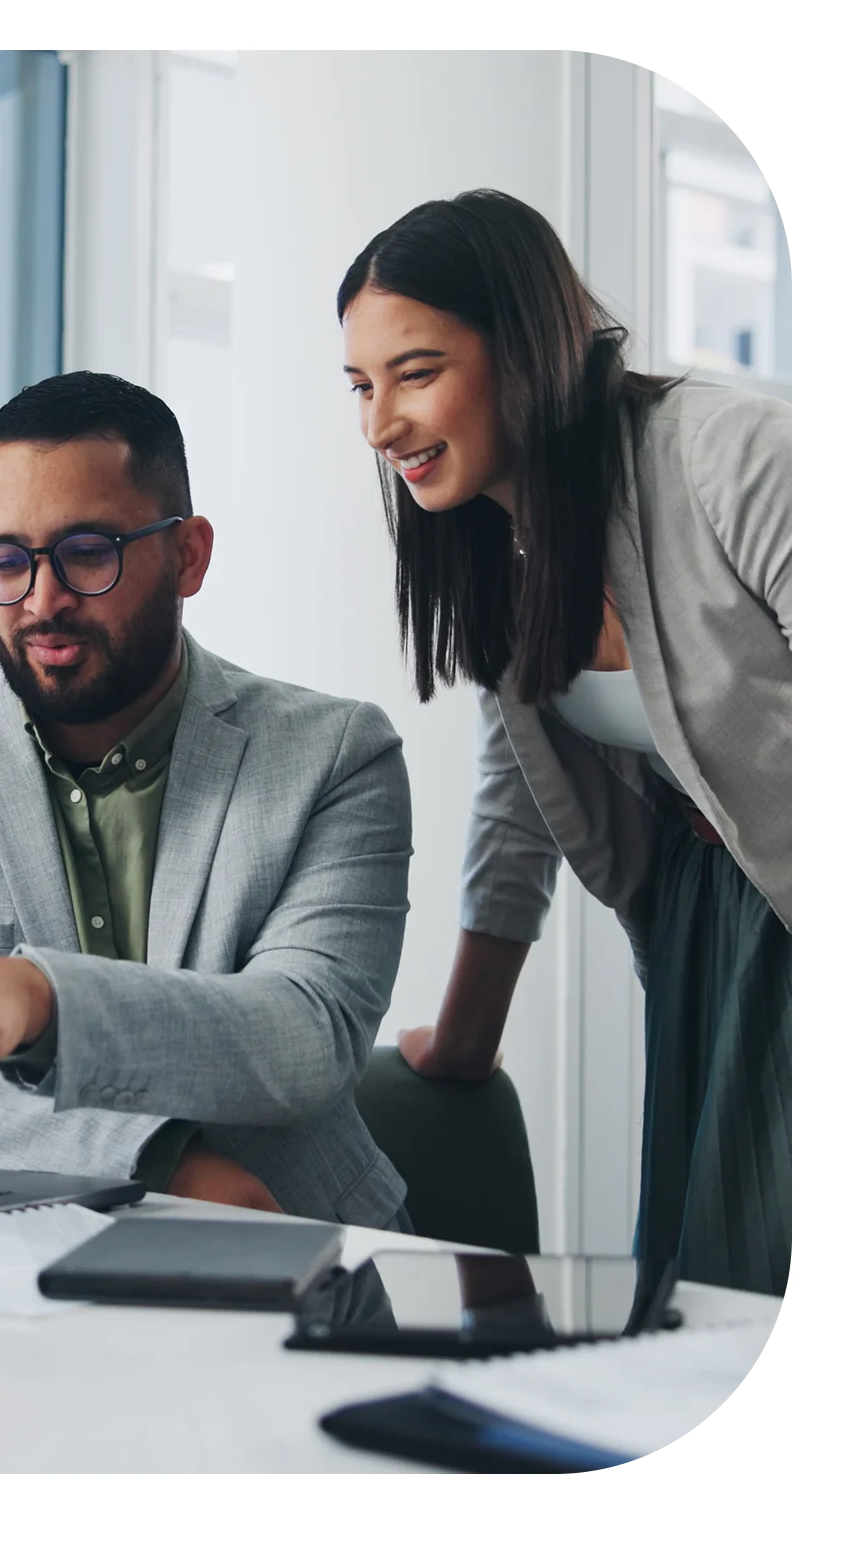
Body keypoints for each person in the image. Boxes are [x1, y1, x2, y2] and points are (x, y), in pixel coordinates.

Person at [0, 371, 414, 1221]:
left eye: (88, 553)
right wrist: (157, 1158)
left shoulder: (335, 754)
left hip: (297, 1236)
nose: (41, 601)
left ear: (188, 556)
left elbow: (306, 1037)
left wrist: (39, 1002)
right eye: (7, 560)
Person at [338, 190, 794, 1296]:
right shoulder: (496, 544)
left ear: (528, 347)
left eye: (416, 371)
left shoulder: (725, 454)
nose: (378, 424)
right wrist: (463, 1033)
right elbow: (522, 789)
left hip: (789, 914)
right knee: (702, 1285)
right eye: (359, 385)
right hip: (705, 921)